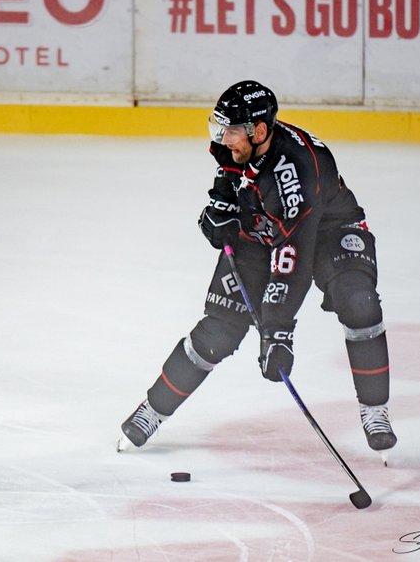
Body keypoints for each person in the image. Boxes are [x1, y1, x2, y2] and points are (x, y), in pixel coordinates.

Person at [117, 80, 396, 455]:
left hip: (329, 231)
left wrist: (278, 330)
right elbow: (230, 181)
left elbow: (294, 257)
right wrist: (221, 212)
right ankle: (151, 410)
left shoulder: (296, 173)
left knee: (358, 301)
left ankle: (375, 411)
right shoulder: (238, 145)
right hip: (266, 232)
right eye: (221, 128)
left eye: (231, 130)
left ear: (259, 131)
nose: (223, 138)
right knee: (219, 329)